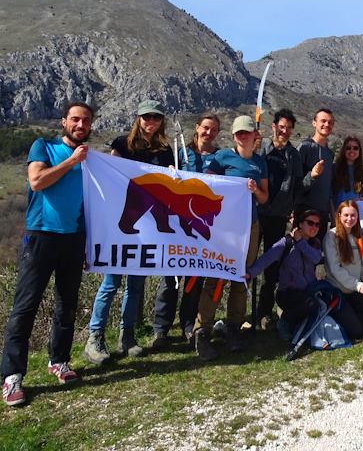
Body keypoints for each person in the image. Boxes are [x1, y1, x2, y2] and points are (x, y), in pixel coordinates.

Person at [2, 101, 93, 407]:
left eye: (86, 121)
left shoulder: (90, 158)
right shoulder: (44, 146)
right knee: (25, 306)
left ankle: (60, 360)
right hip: (40, 236)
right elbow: (37, 181)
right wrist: (72, 162)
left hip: (73, 239)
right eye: (75, 120)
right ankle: (13, 376)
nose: (81, 125)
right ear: (64, 121)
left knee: (67, 305)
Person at [85, 100, 174, 365]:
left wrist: (171, 174)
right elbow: (109, 175)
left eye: (156, 117)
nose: (151, 122)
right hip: (121, 223)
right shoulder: (122, 143)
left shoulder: (165, 149)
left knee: (135, 285)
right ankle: (95, 337)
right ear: (138, 118)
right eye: (147, 116)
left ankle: (128, 336)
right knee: (110, 283)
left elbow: (167, 183)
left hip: (147, 227)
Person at [193, 115, 268, 359]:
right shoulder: (222, 157)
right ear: (233, 136)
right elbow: (207, 185)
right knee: (215, 275)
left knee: (241, 276)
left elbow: (264, 198)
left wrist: (254, 189)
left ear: (254, 136)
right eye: (239, 133)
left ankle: (234, 326)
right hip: (224, 227)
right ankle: (202, 330)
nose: (243, 137)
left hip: (250, 225)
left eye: (247, 132)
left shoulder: (260, 163)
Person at [151, 113, 221, 349]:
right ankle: (161, 329)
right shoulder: (181, 154)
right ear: (197, 128)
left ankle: (188, 325)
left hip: (198, 229)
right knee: (170, 278)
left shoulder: (219, 159)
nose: (208, 133)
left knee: (194, 280)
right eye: (205, 128)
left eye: (213, 130)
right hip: (176, 225)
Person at [256, 108, 303, 330]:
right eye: (281, 127)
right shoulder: (261, 146)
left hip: (277, 216)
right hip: (255, 213)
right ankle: (236, 317)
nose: (284, 131)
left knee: (271, 265)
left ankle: (264, 312)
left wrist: (294, 208)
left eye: (288, 128)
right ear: (274, 126)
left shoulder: (294, 155)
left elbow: (297, 186)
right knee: (247, 262)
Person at [246, 210, 323, 339]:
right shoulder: (286, 243)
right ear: (300, 224)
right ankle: (284, 321)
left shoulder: (315, 243)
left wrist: (300, 242)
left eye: (317, 224)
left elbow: (316, 258)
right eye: (310, 223)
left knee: (319, 304)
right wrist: (249, 274)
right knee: (312, 304)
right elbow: (266, 259)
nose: (314, 227)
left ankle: (294, 322)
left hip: (308, 290)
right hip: (288, 293)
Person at [323, 201, 363, 339]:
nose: (349, 219)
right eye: (346, 215)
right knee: (356, 331)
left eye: (353, 215)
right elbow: (335, 269)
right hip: (339, 292)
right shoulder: (331, 237)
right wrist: (358, 285)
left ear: (357, 217)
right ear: (339, 215)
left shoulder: (358, 236)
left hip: (355, 290)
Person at [295, 108, 335, 240]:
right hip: (305, 212)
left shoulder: (330, 154)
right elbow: (295, 182)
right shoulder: (305, 148)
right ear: (314, 123)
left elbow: (327, 187)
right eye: (323, 121)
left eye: (330, 122)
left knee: (316, 255)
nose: (326, 125)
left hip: (322, 214)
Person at [332, 136, 363, 207]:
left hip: (356, 214)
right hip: (338, 213)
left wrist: (358, 201)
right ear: (344, 150)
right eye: (348, 148)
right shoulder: (334, 169)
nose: (352, 150)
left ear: (359, 151)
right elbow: (329, 196)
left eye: (355, 148)